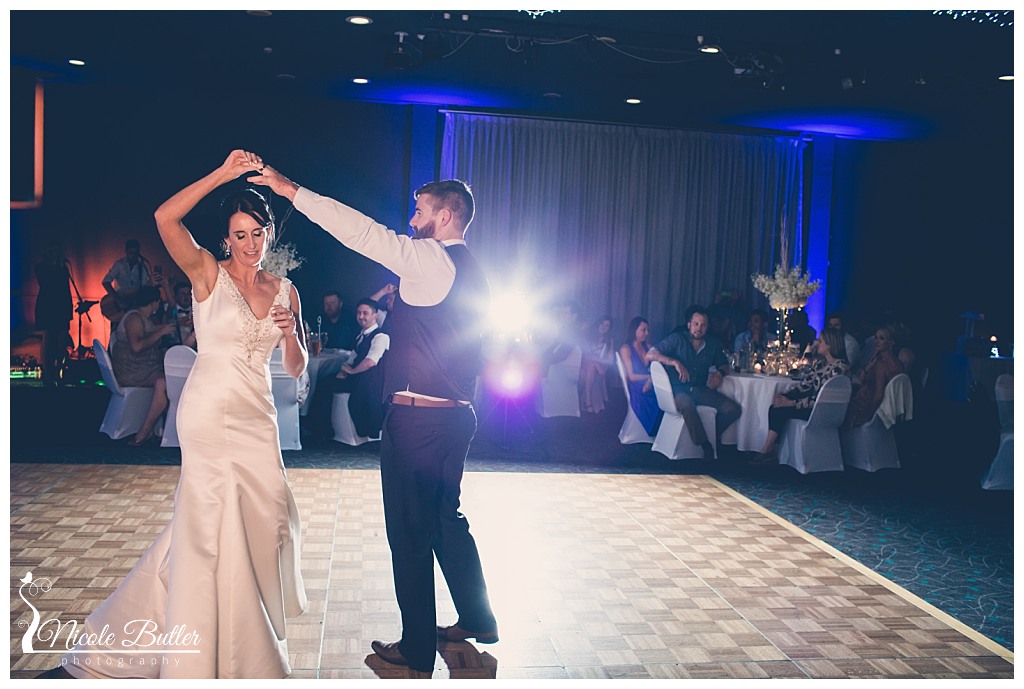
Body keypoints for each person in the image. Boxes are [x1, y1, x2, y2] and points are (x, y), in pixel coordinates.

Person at [54, 151, 308, 679]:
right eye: (239, 235)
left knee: (266, 516)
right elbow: (164, 218)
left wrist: (290, 335)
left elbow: (296, 365)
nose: (250, 244)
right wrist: (223, 174)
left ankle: (225, 633)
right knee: (210, 523)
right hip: (209, 411)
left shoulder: (286, 291)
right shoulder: (206, 273)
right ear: (226, 240)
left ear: (269, 234)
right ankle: (206, 654)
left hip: (257, 414)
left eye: (257, 233)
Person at [253, 164, 497, 675]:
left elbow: (361, 232)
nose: (411, 220)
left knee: (409, 532)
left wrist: (290, 190)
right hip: (457, 419)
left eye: (420, 211)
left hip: (419, 422)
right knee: (446, 520)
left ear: (445, 216)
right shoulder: (475, 270)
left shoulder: (431, 258)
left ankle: (415, 650)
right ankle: (478, 618)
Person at [646, 306, 741, 460]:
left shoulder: (713, 344)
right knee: (687, 405)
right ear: (689, 325)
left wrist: (719, 372)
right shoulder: (677, 339)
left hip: (700, 389)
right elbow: (650, 354)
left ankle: (712, 434)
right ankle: (705, 445)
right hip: (678, 389)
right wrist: (674, 361)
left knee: (733, 409)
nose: (699, 328)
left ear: (707, 327)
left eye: (703, 325)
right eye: (696, 324)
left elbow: (725, 364)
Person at [750, 328, 850, 465]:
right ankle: (771, 449)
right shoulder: (821, 363)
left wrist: (791, 403)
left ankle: (768, 450)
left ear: (829, 345)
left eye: (820, 341)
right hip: (813, 404)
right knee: (777, 405)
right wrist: (784, 395)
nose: (817, 343)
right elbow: (806, 385)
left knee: (780, 410)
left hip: (823, 410)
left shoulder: (840, 368)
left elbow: (821, 398)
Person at [306, 297, 390, 441]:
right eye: (359, 313)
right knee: (324, 382)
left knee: (325, 385)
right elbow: (353, 357)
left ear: (375, 316)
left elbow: (371, 361)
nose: (361, 317)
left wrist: (352, 371)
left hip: (368, 383)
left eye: (365, 313)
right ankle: (320, 427)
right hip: (356, 378)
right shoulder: (360, 335)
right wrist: (344, 370)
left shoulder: (380, 337)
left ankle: (322, 429)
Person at [108, 285, 173, 445]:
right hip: (132, 371)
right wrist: (161, 332)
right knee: (164, 382)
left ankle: (164, 429)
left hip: (142, 368)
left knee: (168, 379)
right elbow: (136, 347)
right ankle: (145, 431)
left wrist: (174, 324)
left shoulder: (142, 318)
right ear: (154, 303)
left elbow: (149, 329)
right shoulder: (134, 318)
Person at [845, 325, 904, 428]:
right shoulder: (898, 362)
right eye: (876, 338)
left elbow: (878, 395)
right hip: (879, 406)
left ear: (890, 342)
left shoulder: (881, 365)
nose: (877, 341)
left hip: (869, 407)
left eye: (881, 338)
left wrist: (866, 417)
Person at [33, 247, 73, 385]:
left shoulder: (63, 269)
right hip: (47, 307)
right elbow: (46, 284)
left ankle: (58, 371)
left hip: (61, 307)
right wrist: (55, 267)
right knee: (48, 338)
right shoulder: (41, 268)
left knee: (62, 339)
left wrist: (69, 310)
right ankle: (48, 373)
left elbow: (66, 289)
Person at [618, 316, 662, 436]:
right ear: (634, 330)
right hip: (636, 386)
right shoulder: (626, 348)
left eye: (647, 330)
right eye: (643, 330)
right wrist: (649, 377)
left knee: (664, 391)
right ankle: (656, 428)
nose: (647, 333)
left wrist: (651, 379)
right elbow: (631, 376)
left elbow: (658, 366)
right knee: (661, 396)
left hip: (649, 382)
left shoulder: (648, 347)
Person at [101, 238, 151, 328]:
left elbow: (144, 287)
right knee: (116, 330)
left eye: (135, 253)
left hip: (133, 305)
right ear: (126, 251)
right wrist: (118, 300)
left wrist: (153, 283)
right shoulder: (119, 265)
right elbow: (105, 282)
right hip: (119, 305)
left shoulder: (142, 267)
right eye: (131, 252)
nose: (133, 256)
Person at [579, 315, 614, 414]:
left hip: (600, 365)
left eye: (606, 326)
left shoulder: (609, 341)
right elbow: (584, 355)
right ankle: (588, 402)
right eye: (601, 324)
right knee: (590, 367)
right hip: (586, 363)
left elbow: (610, 361)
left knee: (591, 367)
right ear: (597, 324)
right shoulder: (588, 336)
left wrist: (595, 361)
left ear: (609, 329)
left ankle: (588, 402)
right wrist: (595, 362)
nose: (603, 327)